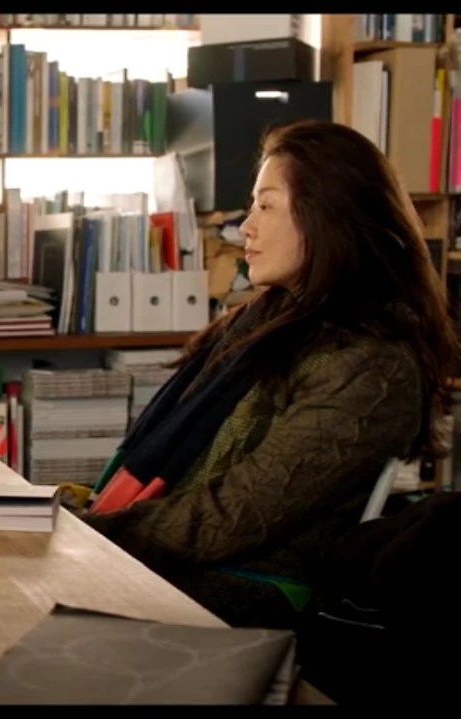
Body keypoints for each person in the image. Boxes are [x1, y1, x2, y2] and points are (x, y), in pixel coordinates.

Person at [79, 120, 458, 629]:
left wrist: (87, 535)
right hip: (180, 565)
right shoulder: (262, 324)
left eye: (266, 205)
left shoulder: (371, 366)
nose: (246, 227)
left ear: (327, 217)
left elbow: (232, 516)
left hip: (246, 593)